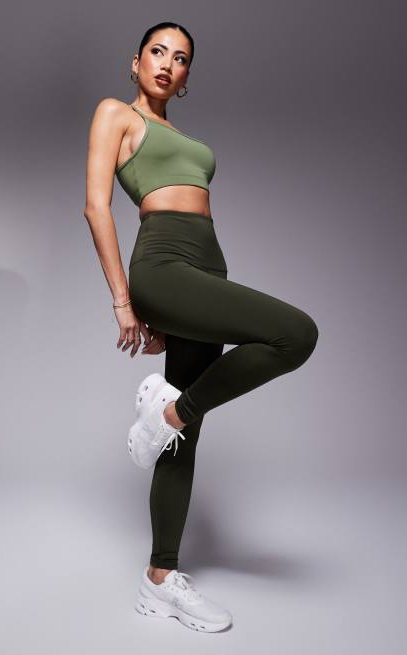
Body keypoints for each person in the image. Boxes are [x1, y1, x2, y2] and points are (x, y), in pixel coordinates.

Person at [83, 21, 319, 633]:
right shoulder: (116, 114)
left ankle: (159, 579)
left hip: (207, 266)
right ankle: (169, 412)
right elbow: (95, 205)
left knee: (182, 440)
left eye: (181, 58)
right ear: (136, 62)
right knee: (296, 334)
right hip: (162, 265)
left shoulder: (187, 137)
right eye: (158, 52)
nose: (168, 63)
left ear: (187, 75)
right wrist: (124, 303)